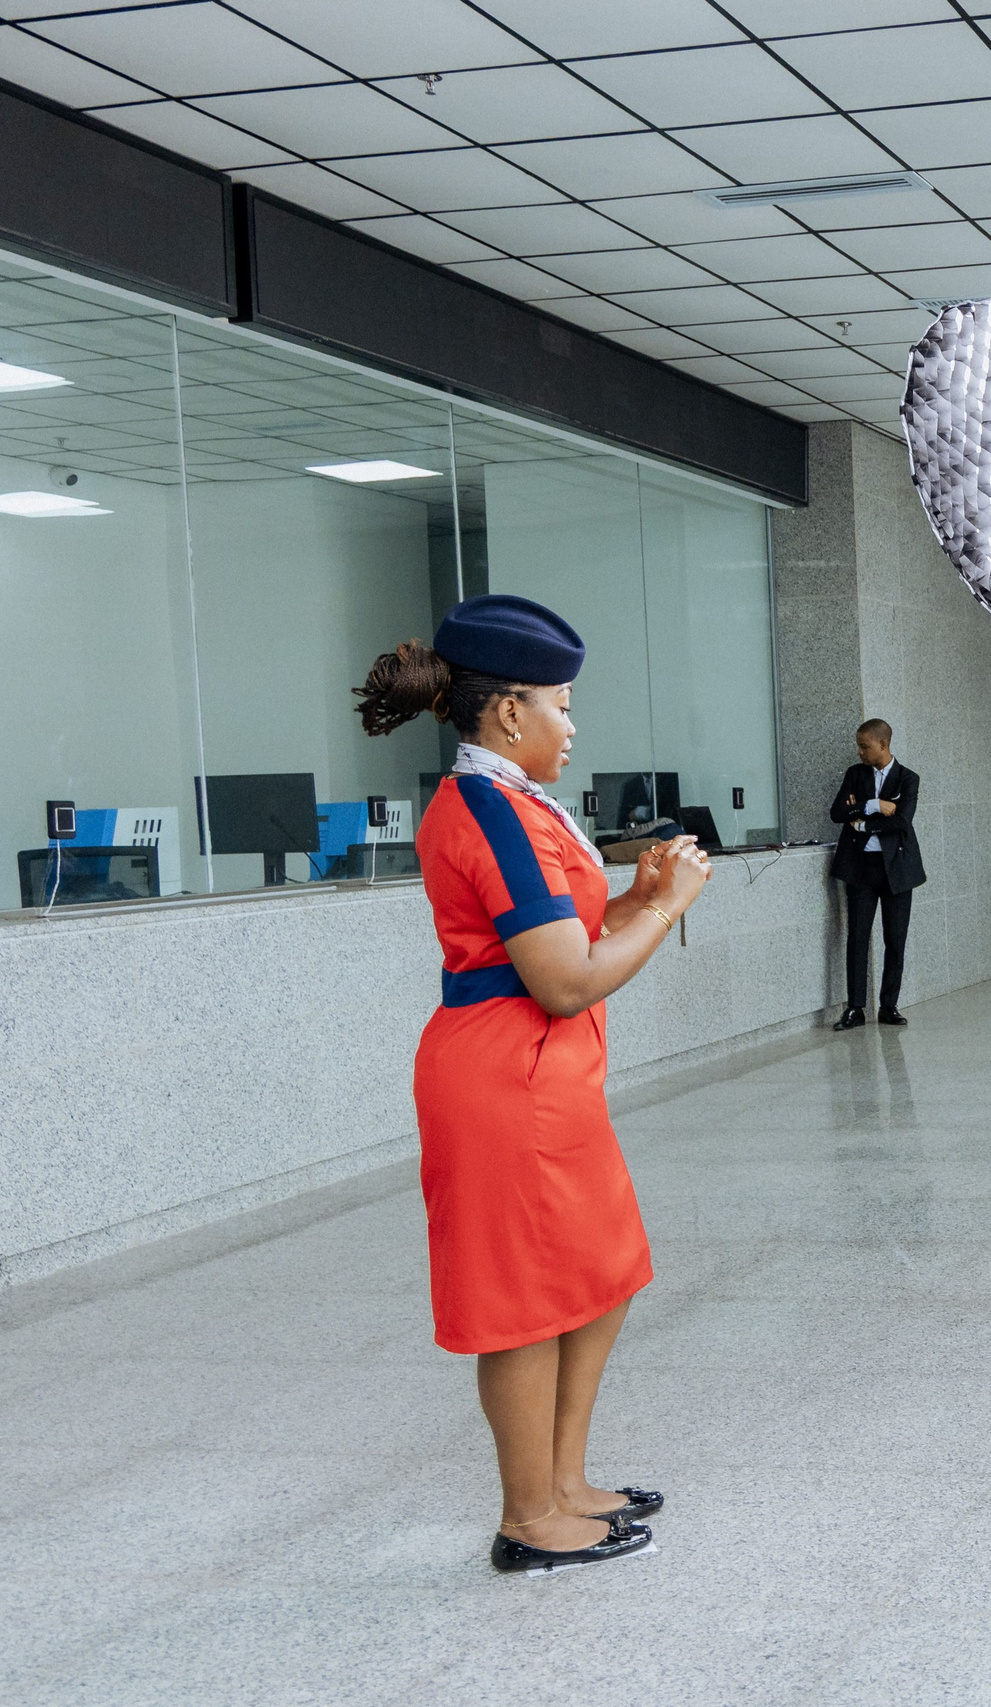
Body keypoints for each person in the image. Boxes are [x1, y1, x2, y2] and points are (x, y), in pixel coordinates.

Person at [355, 594, 710, 1573]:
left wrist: (636, 898)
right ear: (510, 712)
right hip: (508, 1077)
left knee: (602, 1274)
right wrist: (668, 908)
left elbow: (565, 935)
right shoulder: (488, 811)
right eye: (562, 705)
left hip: (546, 1075)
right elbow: (561, 980)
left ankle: (564, 1481)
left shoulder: (513, 802)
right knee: (524, 1301)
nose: (572, 724)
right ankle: (529, 1516)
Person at [829, 718, 923, 1031]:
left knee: (895, 939)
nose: (859, 752)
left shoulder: (908, 779)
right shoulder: (855, 774)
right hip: (860, 868)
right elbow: (837, 813)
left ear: (882, 744)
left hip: (897, 869)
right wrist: (874, 804)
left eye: (864, 746)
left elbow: (902, 821)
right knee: (857, 937)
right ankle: (855, 1008)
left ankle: (888, 1006)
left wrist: (861, 822)